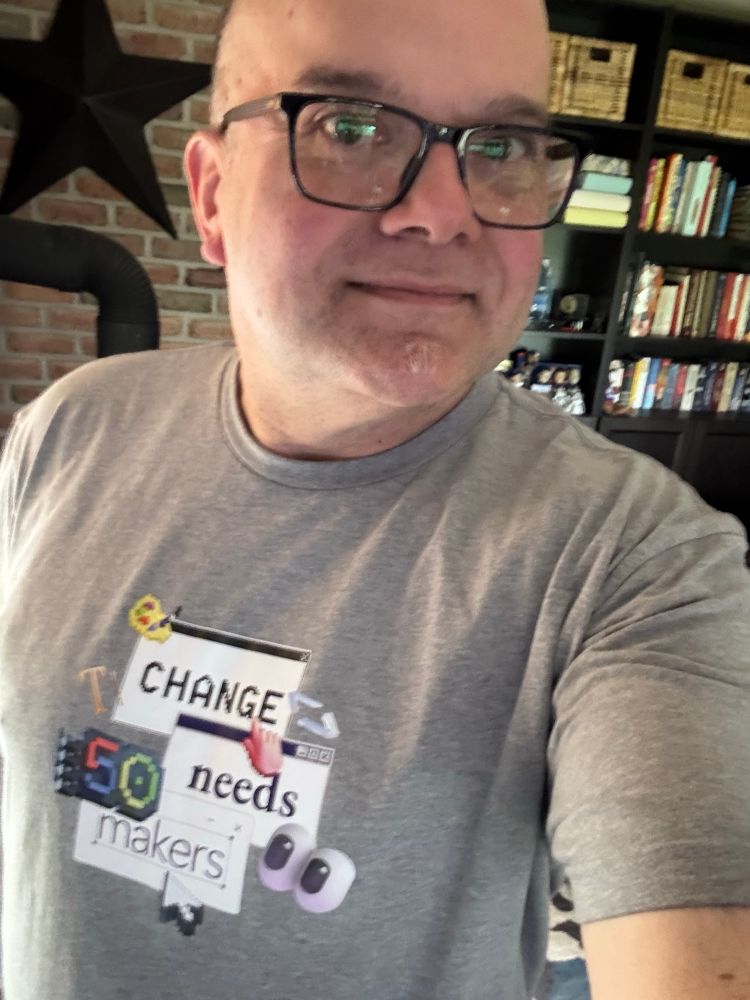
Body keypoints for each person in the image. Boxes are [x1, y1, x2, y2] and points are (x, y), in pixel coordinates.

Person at [0, 1, 749, 999]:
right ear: (213, 196)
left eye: (503, 145)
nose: (442, 211)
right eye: (352, 128)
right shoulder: (69, 427)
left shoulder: (638, 559)